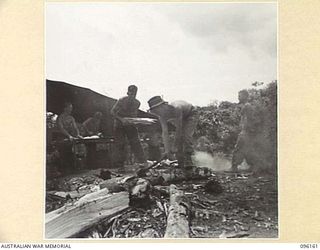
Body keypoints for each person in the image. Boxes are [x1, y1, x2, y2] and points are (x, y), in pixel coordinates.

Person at [147, 96, 198, 168]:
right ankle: (181, 162)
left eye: (157, 110)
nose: (157, 113)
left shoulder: (176, 108)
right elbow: (165, 132)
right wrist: (167, 150)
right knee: (179, 140)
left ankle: (189, 160)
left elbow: (179, 129)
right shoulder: (161, 116)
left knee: (185, 136)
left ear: (163, 106)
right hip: (181, 117)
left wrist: (174, 146)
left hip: (191, 113)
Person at [111, 85, 147, 169]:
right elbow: (112, 112)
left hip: (130, 124)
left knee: (136, 142)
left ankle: (142, 162)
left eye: (134, 94)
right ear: (128, 93)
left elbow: (134, 114)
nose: (132, 96)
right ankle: (119, 165)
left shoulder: (137, 103)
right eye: (131, 94)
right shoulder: (121, 100)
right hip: (119, 124)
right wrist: (121, 119)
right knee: (120, 144)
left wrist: (135, 121)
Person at [230, 89, 264, 172]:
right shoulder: (246, 106)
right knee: (247, 149)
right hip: (246, 131)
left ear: (245, 96)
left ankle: (234, 167)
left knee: (238, 148)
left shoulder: (247, 106)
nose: (238, 97)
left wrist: (246, 130)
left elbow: (249, 119)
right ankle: (252, 166)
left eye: (240, 96)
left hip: (246, 131)